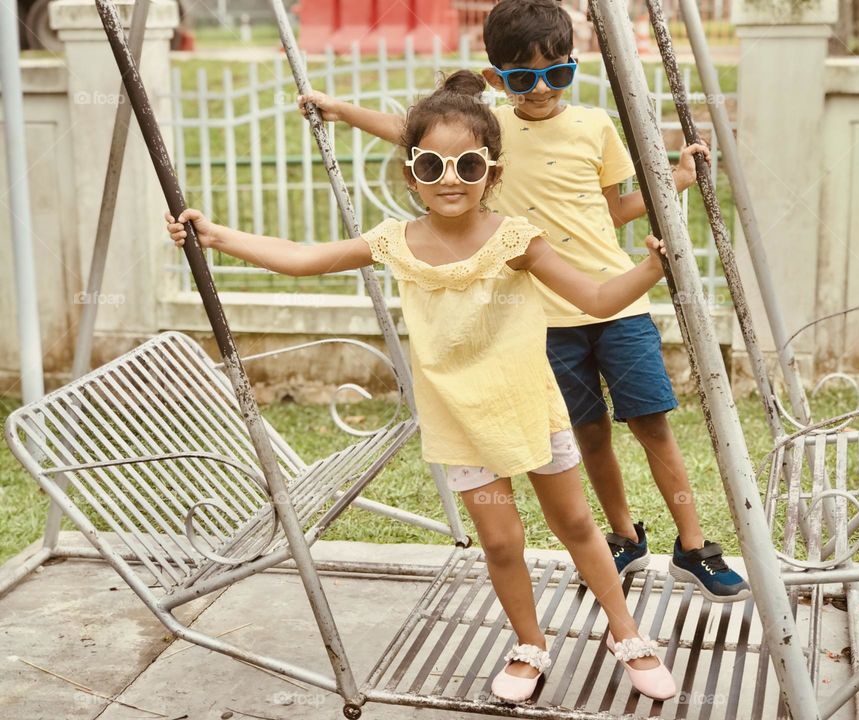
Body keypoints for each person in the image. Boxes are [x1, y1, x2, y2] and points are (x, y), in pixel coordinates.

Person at [166, 70, 676, 703]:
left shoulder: (514, 240)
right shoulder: (396, 242)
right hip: (459, 416)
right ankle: (529, 645)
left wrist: (653, 267)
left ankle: (626, 633)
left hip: (525, 404)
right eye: (431, 165)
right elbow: (303, 256)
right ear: (410, 174)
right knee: (499, 537)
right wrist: (215, 236)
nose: (450, 178)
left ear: (492, 172)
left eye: (467, 164)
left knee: (574, 522)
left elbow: (598, 296)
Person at [295, 0, 750, 603]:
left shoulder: (594, 126)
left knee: (650, 424)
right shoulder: (489, 136)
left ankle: (692, 546)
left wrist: (677, 181)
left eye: (555, 74)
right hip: (544, 313)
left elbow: (614, 208)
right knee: (587, 434)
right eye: (521, 77)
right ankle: (624, 536)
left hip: (615, 299)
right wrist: (338, 110)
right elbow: (411, 134)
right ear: (495, 80)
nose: (539, 89)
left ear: (572, 67)